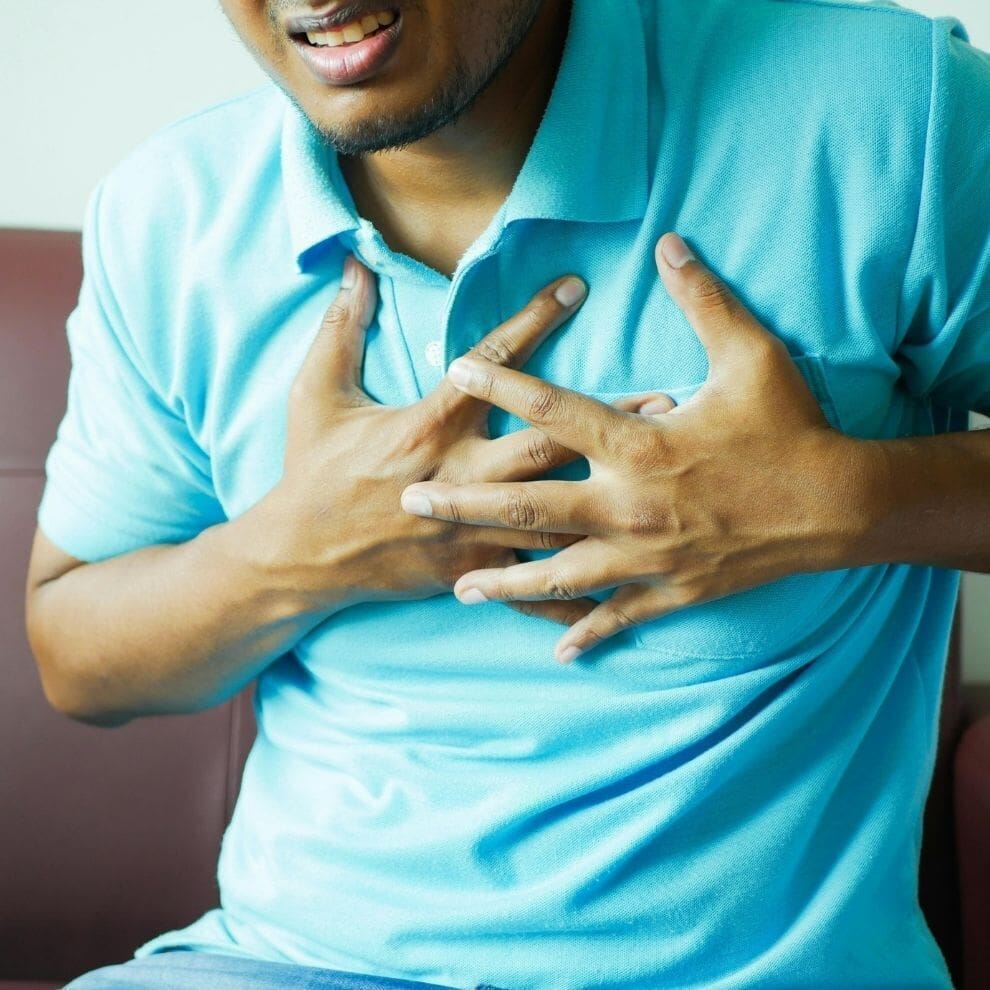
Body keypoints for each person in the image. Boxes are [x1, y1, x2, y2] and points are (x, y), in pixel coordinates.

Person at [26, 0, 990, 987]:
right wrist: (297, 551)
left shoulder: (893, 109)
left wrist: (843, 500)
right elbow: (78, 659)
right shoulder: (165, 214)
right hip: (285, 964)